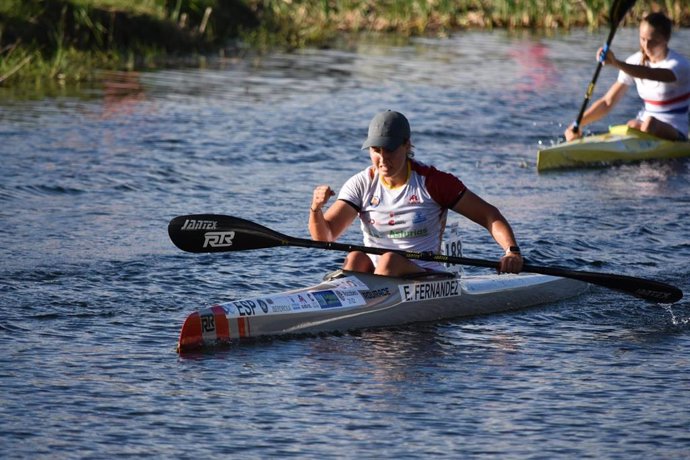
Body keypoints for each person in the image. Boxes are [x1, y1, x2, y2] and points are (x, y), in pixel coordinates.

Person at [308, 110, 524, 277]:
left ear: (407, 145)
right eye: (376, 150)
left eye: (390, 149)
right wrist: (316, 210)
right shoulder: (361, 184)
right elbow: (325, 237)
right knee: (355, 258)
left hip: (424, 275)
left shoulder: (434, 183)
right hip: (375, 276)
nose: (382, 159)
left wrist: (511, 251)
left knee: (388, 261)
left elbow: (490, 216)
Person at [565, 12, 690, 142]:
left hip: (676, 129)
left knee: (649, 124)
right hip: (643, 126)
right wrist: (576, 124)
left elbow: (649, 73)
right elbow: (607, 102)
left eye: (652, 41)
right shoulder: (634, 61)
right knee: (632, 124)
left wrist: (615, 63)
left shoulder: (679, 65)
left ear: (666, 39)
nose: (646, 46)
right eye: (642, 39)